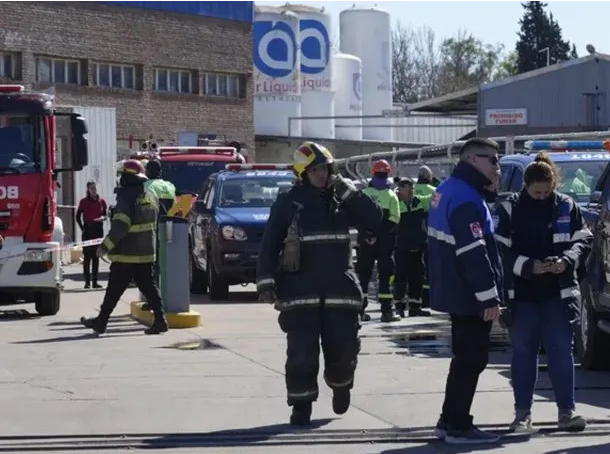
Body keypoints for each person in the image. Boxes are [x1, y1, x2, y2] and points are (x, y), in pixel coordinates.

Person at [256, 141, 384, 426]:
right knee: (301, 353)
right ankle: (301, 405)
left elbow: (375, 218)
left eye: (325, 169)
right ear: (303, 173)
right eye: (315, 171)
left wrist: (348, 192)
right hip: (300, 292)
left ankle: (341, 384)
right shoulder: (289, 201)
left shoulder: (344, 199)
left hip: (340, 289)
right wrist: (266, 281)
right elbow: (269, 243)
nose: (322, 175)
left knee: (344, 350)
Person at [493, 153, 591, 433]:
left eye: (547, 191)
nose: (542, 197)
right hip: (522, 295)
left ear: (554, 185)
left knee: (561, 352)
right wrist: (529, 266)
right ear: (525, 186)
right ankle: (522, 414)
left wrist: (566, 261)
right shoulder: (509, 208)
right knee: (524, 354)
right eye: (536, 193)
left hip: (558, 294)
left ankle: (567, 412)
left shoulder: (566, 206)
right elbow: (500, 250)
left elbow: (583, 240)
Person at [427, 137, 503, 444]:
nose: (498, 168)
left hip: (455, 289)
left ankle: (449, 420)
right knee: (472, 359)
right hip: (469, 293)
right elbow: (473, 252)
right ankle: (458, 425)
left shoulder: (448, 190)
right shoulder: (467, 198)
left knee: (464, 358)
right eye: (493, 161)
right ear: (473, 160)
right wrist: (488, 295)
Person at [80, 160, 168, 336]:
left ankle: (101, 322)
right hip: (146, 253)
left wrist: (104, 247)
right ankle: (160, 321)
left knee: (114, 289)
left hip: (127, 254)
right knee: (150, 288)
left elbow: (120, 227)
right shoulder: (149, 195)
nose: (120, 179)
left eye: (122, 175)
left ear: (128, 177)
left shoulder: (126, 197)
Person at [356, 160, 401, 322]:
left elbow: (358, 218)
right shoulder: (391, 196)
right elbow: (395, 219)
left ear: (373, 173)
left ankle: (359, 311)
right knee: (385, 276)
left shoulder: (365, 194)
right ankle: (387, 312)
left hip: (366, 242)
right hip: (384, 243)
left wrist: (369, 234)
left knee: (363, 275)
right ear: (388, 174)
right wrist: (378, 235)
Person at [141, 159, 177, 311]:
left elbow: (145, 208)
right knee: (166, 267)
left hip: (152, 230)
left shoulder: (146, 186)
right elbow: (175, 206)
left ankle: (152, 301)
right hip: (169, 228)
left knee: (151, 269)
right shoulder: (169, 186)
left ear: (148, 172)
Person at [393, 178, 430, 318]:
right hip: (402, 248)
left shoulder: (418, 202)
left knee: (418, 277)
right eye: (407, 188)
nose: (410, 192)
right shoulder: (395, 202)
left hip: (418, 247)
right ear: (400, 189)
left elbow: (436, 196)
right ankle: (399, 307)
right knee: (401, 277)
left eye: (412, 188)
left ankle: (415, 307)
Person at [75, 181, 108, 289]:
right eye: (91, 188)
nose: (94, 190)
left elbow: (105, 215)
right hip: (88, 231)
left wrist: (102, 218)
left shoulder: (101, 201)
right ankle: (87, 282)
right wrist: (82, 228)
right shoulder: (84, 202)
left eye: (94, 188)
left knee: (96, 257)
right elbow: (77, 216)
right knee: (87, 257)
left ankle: (95, 281)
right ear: (88, 190)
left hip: (98, 231)